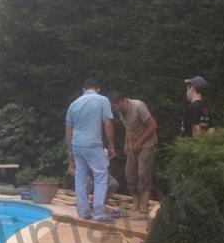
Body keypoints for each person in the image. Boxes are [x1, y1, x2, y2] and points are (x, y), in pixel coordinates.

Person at [65, 78, 116, 221]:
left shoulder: (74, 104)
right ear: (98, 89)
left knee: (80, 178)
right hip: (93, 145)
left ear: (83, 89)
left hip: (77, 145)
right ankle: (99, 213)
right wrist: (111, 146)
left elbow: (68, 130)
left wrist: (70, 151)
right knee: (100, 177)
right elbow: (108, 124)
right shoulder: (102, 100)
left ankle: (83, 212)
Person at [109, 91, 159, 216]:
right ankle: (136, 204)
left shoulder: (138, 107)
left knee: (143, 174)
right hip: (134, 144)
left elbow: (153, 125)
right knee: (129, 174)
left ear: (121, 102)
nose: (113, 110)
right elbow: (128, 127)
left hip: (147, 144)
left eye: (114, 106)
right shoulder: (121, 112)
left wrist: (140, 142)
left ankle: (144, 206)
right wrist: (127, 143)